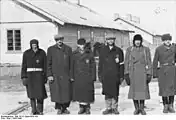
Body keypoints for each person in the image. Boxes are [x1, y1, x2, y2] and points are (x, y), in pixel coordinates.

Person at [124, 34, 152, 115]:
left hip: (143, 73)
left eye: (139, 40)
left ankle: (142, 108)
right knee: (134, 92)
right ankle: (136, 108)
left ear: (141, 41)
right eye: (136, 40)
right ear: (134, 41)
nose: (137, 42)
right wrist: (126, 74)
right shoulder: (130, 49)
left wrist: (149, 74)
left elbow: (149, 62)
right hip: (133, 73)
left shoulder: (145, 50)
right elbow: (126, 62)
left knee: (142, 91)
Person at [47, 34, 73, 114]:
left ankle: (65, 108)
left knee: (66, 92)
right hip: (55, 75)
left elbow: (71, 63)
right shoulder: (51, 49)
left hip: (66, 74)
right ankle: (58, 108)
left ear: (63, 40)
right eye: (58, 40)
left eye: (61, 39)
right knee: (57, 92)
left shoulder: (68, 49)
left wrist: (71, 75)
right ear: (55, 41)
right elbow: (48, 63)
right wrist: (49, 75)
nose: (59, 41)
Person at [99, 34, 124, 115]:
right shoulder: (102, 50)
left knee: (115, 92)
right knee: (107, 92)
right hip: (106, 75)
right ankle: (108, 108)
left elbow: (121, 64)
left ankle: (114, 108)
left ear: (114, 40)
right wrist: (100, 75)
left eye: (112, 39)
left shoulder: (118, 50)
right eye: (109, 39)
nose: (110, 41)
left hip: (115, 75)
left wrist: (121, 76)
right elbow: (100, 64)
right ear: (106, 40)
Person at [21, 39, 47, 115]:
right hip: (30, 76)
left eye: (35, 45)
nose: (34, 46)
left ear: (37, 45)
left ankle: (40, 110)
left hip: (39, 76)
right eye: (33, 45)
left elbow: (45, 65)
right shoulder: (26, 53)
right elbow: (24, 66)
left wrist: (45, 76)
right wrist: (23, 77)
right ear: (31, 45)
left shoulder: (42, 52)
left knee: (40, 94)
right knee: (31, 94)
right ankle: (33, 110)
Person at [153, 33, 176, 113]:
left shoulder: (174, 48)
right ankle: (165, 105)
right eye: (166, 40)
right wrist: (154, 72)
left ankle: (171, 105)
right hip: (162, 70)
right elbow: (155, 61)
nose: (168, 42)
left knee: (172, 88)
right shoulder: (158, 49)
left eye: (169, 40)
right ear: (163, 41)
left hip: (172, 70)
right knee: (163, 89)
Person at [72, 38, 96, 114]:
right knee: (80, 92)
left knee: (87, 92)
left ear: (85, 45)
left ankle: (88, 107)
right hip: (78, 76)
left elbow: (93, 66)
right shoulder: (74, 54)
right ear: (77, 45)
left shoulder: (89, 53)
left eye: (83, 44)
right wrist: (72, 76)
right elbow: (72, 66)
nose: (82, 46)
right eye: (80, 44)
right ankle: (81, 107)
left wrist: (93, 76)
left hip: (87, 76)